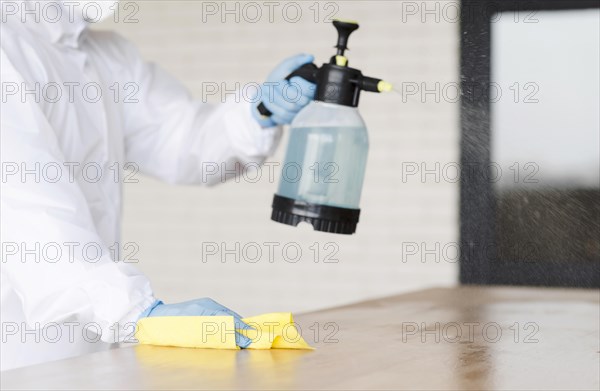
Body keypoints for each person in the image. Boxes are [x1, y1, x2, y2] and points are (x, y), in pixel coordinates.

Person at [0, 0, 315, 370]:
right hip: (19, 345)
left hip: (93, 340)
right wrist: (135, 311)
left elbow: (182, 141)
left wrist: (258, 111)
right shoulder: (8, 47)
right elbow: (25, 205)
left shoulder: (107, 55)